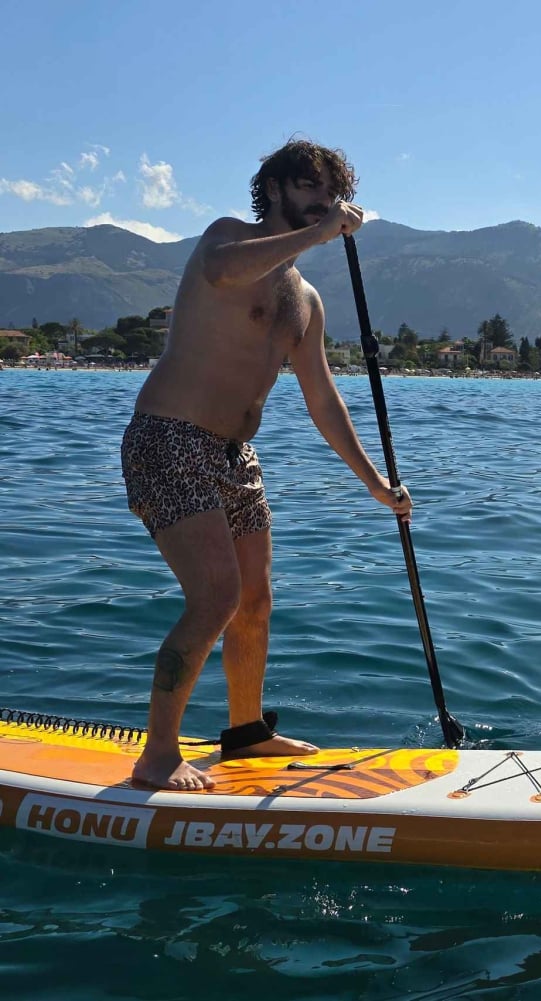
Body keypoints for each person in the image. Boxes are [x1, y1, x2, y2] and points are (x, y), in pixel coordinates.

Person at [120, 138, 412, 791]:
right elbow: (224, 272)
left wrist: (375, 484)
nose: (325, 204)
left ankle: (246, 731)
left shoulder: (306, 303)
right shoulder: (226, 240)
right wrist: (314, 234)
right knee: (217, 595)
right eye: (311, 188)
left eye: (333, 195)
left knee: (255, 599)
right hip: (167, 438)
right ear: (276, 189)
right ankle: (158, 755)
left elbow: (322, 400)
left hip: (234, 454)